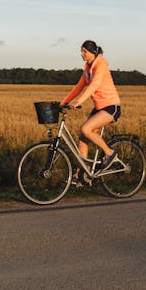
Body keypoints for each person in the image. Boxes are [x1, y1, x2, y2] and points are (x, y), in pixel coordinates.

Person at [60, 40, 121, 185]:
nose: (82, 54)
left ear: (93, 52)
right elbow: (78, 87)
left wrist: (79, 102)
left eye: (84, 51)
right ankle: (82, 173)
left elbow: (94, 85)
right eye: (81, 51)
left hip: (111, 106)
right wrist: (63, 102)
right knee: (83, 137)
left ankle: (110, 153)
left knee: (85, 129)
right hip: (99, 108)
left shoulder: (101, 65)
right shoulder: (87, 68)